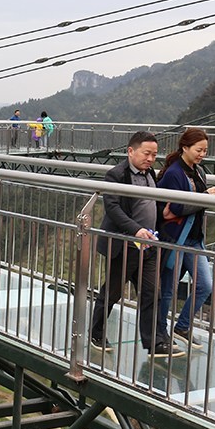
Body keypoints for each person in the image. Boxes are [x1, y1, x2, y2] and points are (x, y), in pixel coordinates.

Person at [89, 131, 183, 357]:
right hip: (124, 244)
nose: (151, 159)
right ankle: (97, 333)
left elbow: (152, 204)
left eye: (154, 155)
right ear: (131, 151)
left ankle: (153, 344)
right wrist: (136, 230)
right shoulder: (116, 175)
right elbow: (113, 208)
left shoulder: (150, 173)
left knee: (152, 292)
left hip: (148, 246)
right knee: (112, 293)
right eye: (146, 153)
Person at [156, 127, 215, 347]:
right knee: (168, 289)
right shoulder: (175, 173)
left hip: (194, 238)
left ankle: (182, 326)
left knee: (205, 285)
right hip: (175, 238)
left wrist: (208, 195)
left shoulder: (198, 171)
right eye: (199, 150)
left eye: (205, 150)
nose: (202, 154)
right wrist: (205, 196)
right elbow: (176, 207)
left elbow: (193, 202)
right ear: (185, 147)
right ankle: (159, 335)